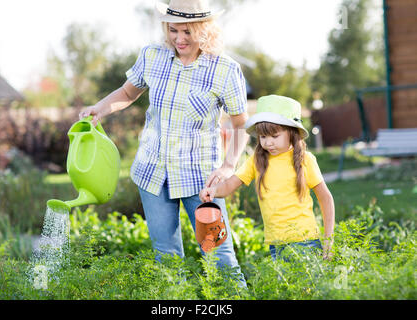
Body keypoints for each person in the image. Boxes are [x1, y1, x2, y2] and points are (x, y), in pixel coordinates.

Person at [79, 0, 249, 284]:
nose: (179, 39)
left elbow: (240, 124)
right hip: (153, 172)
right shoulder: (152, 56)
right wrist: (100, 108)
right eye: (173, 31)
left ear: (204, 29)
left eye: (187, 32)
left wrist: (229, 165)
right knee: (166, 255)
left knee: (217, 252)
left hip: (201, 179)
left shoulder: (224, 70)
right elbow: (127, 92)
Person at [199, 95, 335, 261]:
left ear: (292, 133)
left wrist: (329, 240)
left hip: (305, 242)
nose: (268, 143)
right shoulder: (256, 161)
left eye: (274, 136)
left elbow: (326, 199)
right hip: (276, 245)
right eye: (263, 137)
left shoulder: (305, 160)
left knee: (308, 287)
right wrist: (214, 191)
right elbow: (229, 185)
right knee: (282, 287)